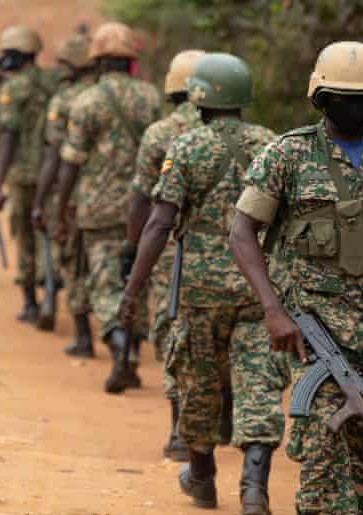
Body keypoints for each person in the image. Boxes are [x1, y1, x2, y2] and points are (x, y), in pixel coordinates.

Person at [228, 41, 363, 515]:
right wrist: (273, 310)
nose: (357, 109)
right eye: (344, 99)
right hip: (317, 339)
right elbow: (241, 233)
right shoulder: (288, 154)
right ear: (321, 98)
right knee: (323, 474)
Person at [119, 53, 283, 515]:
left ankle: (204, 479)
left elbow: (158, 224)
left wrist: (132, 289)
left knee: (198, 384)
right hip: (260, 287)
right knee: (259, 383)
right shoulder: (270, 145)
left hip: (199, 290)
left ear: (200, 97)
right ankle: (254, 487)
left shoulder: (186, 147)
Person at [54, 22, 161, 393]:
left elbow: (71, 161)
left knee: (104, 283)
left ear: (97, 60)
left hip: (97, 209)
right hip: (143, 208)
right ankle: (131, 352)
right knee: (137, 280)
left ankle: (117, 349)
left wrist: (60, 207)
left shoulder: (86, 101)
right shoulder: (150, 97)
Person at [124, 48, 205, 461]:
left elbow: (142, 201)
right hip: (235, 260)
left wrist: (133, 247)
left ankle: (180, 430)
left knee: (173, 335)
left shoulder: (160, 133)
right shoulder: (254, 137)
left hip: (171, 255)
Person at [31, 32, 97, 351]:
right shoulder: (107, 94)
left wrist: (42, 202)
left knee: (72, 262)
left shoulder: (65, 99)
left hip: (72, 197)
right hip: (115, 199)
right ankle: (126, 342)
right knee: (108, 265)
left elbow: (54, 156)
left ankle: (83, 336)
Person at [0, 26, 59, 324]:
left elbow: (8, 137)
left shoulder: (13, 88)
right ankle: (51, 296)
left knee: (24, 238)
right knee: (49, 235)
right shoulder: (52, 83)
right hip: (53, 174)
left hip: (22, 175)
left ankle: (30, 303)